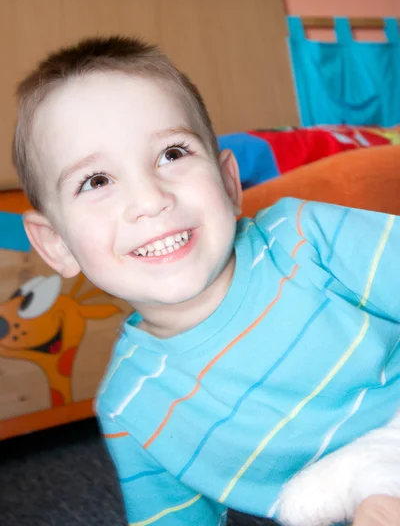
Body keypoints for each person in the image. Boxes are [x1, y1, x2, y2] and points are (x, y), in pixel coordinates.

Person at [12, 36, 400, 526]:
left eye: (172, 153)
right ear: (56, 244)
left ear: (229, 183)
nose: (150, 199)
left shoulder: (309, 238)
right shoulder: (132, 408)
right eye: (96, 181)